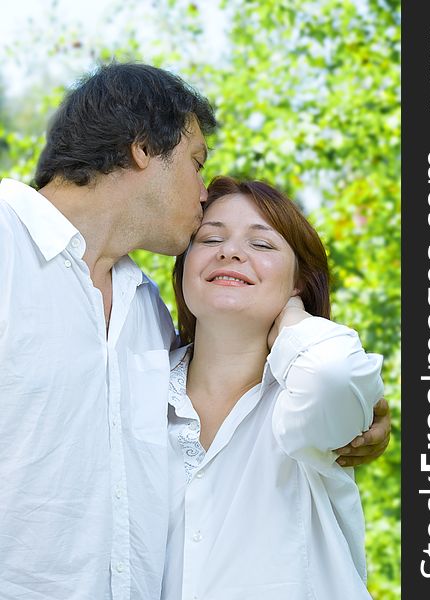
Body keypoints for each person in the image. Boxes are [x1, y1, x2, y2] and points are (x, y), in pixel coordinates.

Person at [0, 61, 390, 599]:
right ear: (142, 149)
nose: (202, 192)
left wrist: (355, 394)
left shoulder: (144, 312)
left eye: (260, 243)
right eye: (195, 164)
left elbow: (320, 382)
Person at [162, 176, 385, 600]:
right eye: (210, 239)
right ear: (184, 266)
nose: (230, 252)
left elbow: (334, 374)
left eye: (262, 245)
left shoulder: (302, 400)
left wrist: (293, 321)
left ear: (299, 281)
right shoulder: (138, 391)